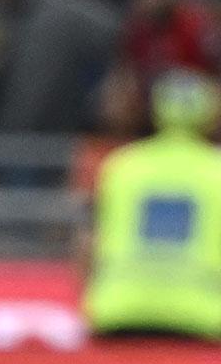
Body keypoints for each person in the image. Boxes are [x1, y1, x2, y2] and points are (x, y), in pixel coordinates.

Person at [84, 70, 221, 340]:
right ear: (210, 116)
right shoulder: (216, 170)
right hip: (201, 317)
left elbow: (88, 241)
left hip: (119, 313)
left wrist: (91, 304)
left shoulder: (121, 166)